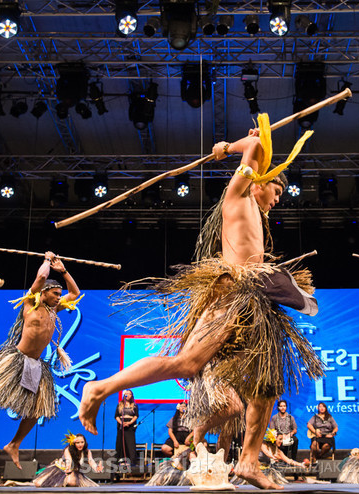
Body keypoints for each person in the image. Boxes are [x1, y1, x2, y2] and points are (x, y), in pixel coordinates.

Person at [78, 113, 323, 489]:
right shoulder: (238, 196)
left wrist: (248, 145)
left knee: (266, 385)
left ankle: (249, 462)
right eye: (277, 192)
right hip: (232, 296)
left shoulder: (255, 211)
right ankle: (101, 387)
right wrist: (232, 148)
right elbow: (254, 151)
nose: (278, 200)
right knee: (187, 363)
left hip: (253, 305)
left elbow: (257, 149)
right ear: (265, 181)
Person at [0, 252, 81, 468]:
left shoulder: (54, 309)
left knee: (37, 410)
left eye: (60, 294)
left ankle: (14, 444)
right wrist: (46, 260)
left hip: (35, 364)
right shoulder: (31, 303)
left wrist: (64, 271)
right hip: (17, 359)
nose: (59, 297)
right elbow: (41, 278)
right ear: (44, 293)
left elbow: (76, 293)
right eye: (55, 293)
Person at [232, 429, 304, 486]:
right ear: (274, 439)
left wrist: (301, 464)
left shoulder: (278, 451)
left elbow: (289, 461)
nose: (282, 441)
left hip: (266, 471)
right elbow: (267, 452)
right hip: (255, 470)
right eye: (280, 439)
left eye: (282, 439)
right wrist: (273, 457)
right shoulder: (263, 445)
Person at [33, 432, 102, 487]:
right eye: (78, 443)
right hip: (60, 469)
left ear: (85, 442)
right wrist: (68, 468)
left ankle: (64, 482)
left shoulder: (87, 451)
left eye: (82, 442)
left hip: (73, 471)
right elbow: (69, 461)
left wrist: (96, 468)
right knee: (38, 484)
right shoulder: (68, 450)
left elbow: (91, 461)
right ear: (74, 443)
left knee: (71, 482)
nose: (80, 444)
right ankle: (59, 482)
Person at [115, 389, 138, 467]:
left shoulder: (134, 405)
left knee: (130, 443)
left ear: (132, 396)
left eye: (129, 394)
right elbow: (116, 416)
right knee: (120, 442)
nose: (127, 395)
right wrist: (122, 422)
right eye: (126, 394)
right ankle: (120, 460)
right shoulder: (120, 405)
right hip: (121, 425)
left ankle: (131, 461)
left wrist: (129, 422)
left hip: (130, 426)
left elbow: (136, 416)